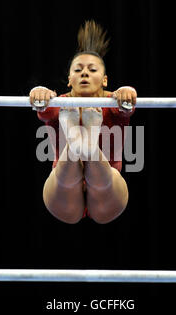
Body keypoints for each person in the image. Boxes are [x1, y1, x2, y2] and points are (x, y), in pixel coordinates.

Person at [29, 20, 137, 224]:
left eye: (92, 70)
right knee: (67, 175)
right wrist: (39, 93)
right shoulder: (58, 103)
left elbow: (127, 107)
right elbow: (43, 109)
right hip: (65, 187)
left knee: (103, 179)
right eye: (78, 70)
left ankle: (83, 146)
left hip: (106, 188)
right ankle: (81, 145)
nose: (85, 73)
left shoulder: (115, 101)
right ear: (69, 79)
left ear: (105, 79)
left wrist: (127, 93)